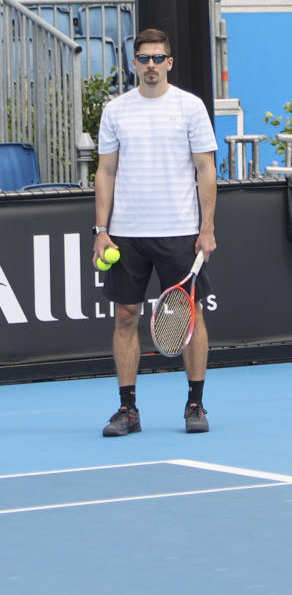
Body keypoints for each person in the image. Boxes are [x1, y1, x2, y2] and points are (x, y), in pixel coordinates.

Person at [92, 28, 218, 437]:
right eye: (143, 58)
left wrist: (207, 228)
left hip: (180, 231)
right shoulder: (115, 111)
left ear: (170, 62)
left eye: (157, 58)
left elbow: (205, 170)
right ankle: (127, 410)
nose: (150, 65)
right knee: (126, 316)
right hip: (126, 235)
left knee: (191, 317)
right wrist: (101, 230)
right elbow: (105, 172)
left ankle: (195, 404)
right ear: (134, 64)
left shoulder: (190, 107)